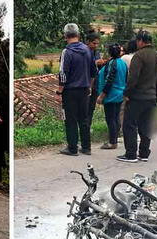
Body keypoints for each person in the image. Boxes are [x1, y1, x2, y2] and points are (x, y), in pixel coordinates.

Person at [118, 30, 157, 163]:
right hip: (151, 97)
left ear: (140, 41)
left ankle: (131, 154)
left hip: (137, 97)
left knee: (129, 124)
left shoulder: (139, 56)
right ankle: (144, 153)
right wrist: (156, 95)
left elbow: (133, 78)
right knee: (146, 125)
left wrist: (127, 94)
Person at [57, 23, 97, 156]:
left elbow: (63, 74)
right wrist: (89, 87)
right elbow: (93, 72)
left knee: (71, 119)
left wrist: (59, 91)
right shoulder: (87, 50)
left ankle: (72, 148)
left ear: (65, 36)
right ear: (78, 35)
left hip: (70, 91)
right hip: (85, 90)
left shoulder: (66, 52)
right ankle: (86, 147)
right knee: (84, 119)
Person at [96, 43, 127, 150]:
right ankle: (114, 138)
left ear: (109, 52)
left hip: (111, 95)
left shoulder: (112, 63)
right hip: (120, 94)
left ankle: (112, 142)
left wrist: (102, 95)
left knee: (110, 119)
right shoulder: (122, 63)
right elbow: (126, 78)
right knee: (116, 117)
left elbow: (109, 80)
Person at [85, 32, 102, 139]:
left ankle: (88, 125)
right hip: (86, 83)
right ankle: (83, 127)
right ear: (88, 42)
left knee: (91, 107)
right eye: (94, 43)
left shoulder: (96, 52)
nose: (96, 46)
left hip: (95, 84)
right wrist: (96, 63)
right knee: (84, 107)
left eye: (97, 44)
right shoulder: (84, 52)